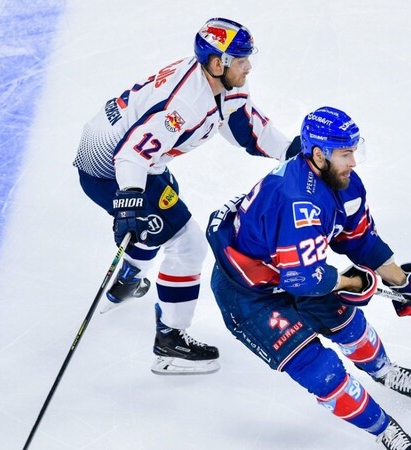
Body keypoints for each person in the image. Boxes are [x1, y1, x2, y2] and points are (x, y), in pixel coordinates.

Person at [73, 17, 301, 375]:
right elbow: (130, 155)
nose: (249, 66)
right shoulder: (184, 106)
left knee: (158, 221)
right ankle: (169, 343)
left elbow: (250, 130)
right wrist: (129, 200)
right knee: (187, 244)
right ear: (217, 63)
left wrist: (296, 151)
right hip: (110, 170)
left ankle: (127, 280)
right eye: (240, 60)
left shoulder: (221, 87)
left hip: (142, 161)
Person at [205, 106, 411, 449]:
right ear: (318, 154)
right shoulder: (296, 200)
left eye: (354, 151)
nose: (354, 162)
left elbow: (360, 239)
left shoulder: (344, 182)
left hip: (295, 268)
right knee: (320, 369)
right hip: (249, 294)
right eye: (346, 154)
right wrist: (355, 283)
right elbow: (303, 281)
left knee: (349, 325)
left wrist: (399, 280)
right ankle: (383, 428)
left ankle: (383, 371)